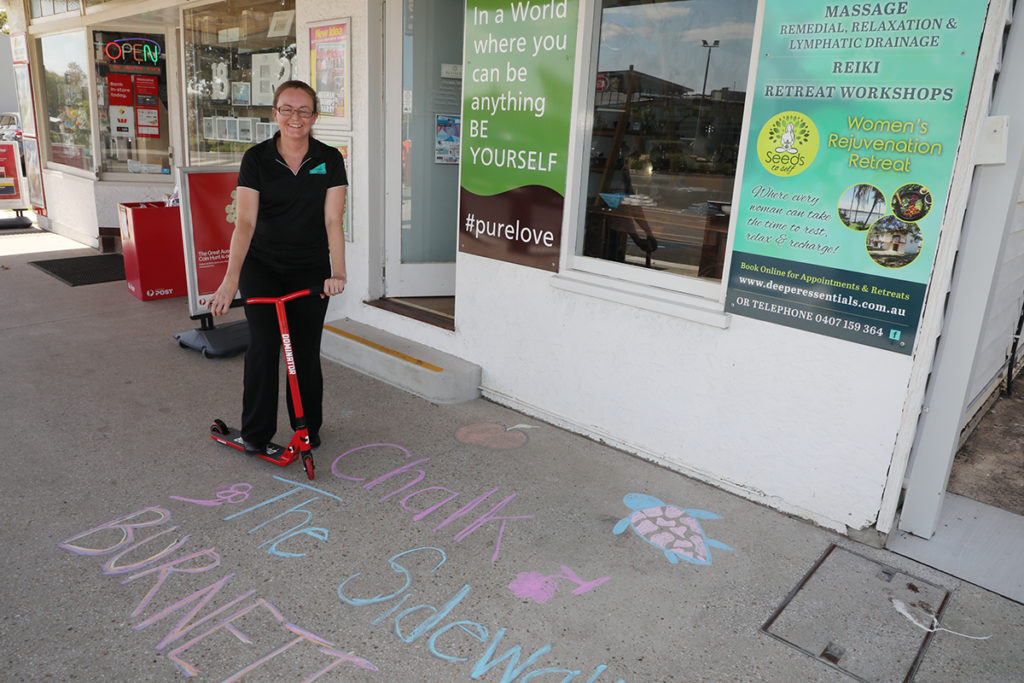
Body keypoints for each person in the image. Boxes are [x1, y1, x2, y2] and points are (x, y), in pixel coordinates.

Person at [208, 80, 347, 456]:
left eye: (303, 110)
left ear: (315, 116)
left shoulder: (329, 159)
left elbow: (334, 220)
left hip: (311, 267)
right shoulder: (256, 159)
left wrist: (339, 273)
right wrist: (229, 281)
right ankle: (255, 432)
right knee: (265, 347)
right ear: (275, 113)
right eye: (287, 109)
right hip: (263, 266)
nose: (295, 118)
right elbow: (246, 223)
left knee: (304, 352)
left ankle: (308, 429)